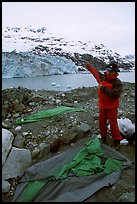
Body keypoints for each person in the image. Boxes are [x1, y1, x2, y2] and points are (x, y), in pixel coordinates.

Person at [86, 62, 123, 148]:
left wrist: (103, 88)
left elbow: (114, 95)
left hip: (112, 107)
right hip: (103, 106)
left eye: (111, 71)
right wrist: (89, 67)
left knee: (113, 124)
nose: (109, 72)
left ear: (115, 72)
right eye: (108, 70)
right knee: (101, 122)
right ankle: (103, 137)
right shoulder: (103, 78)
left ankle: (117, 140)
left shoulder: (117, 83)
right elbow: (95, 73)